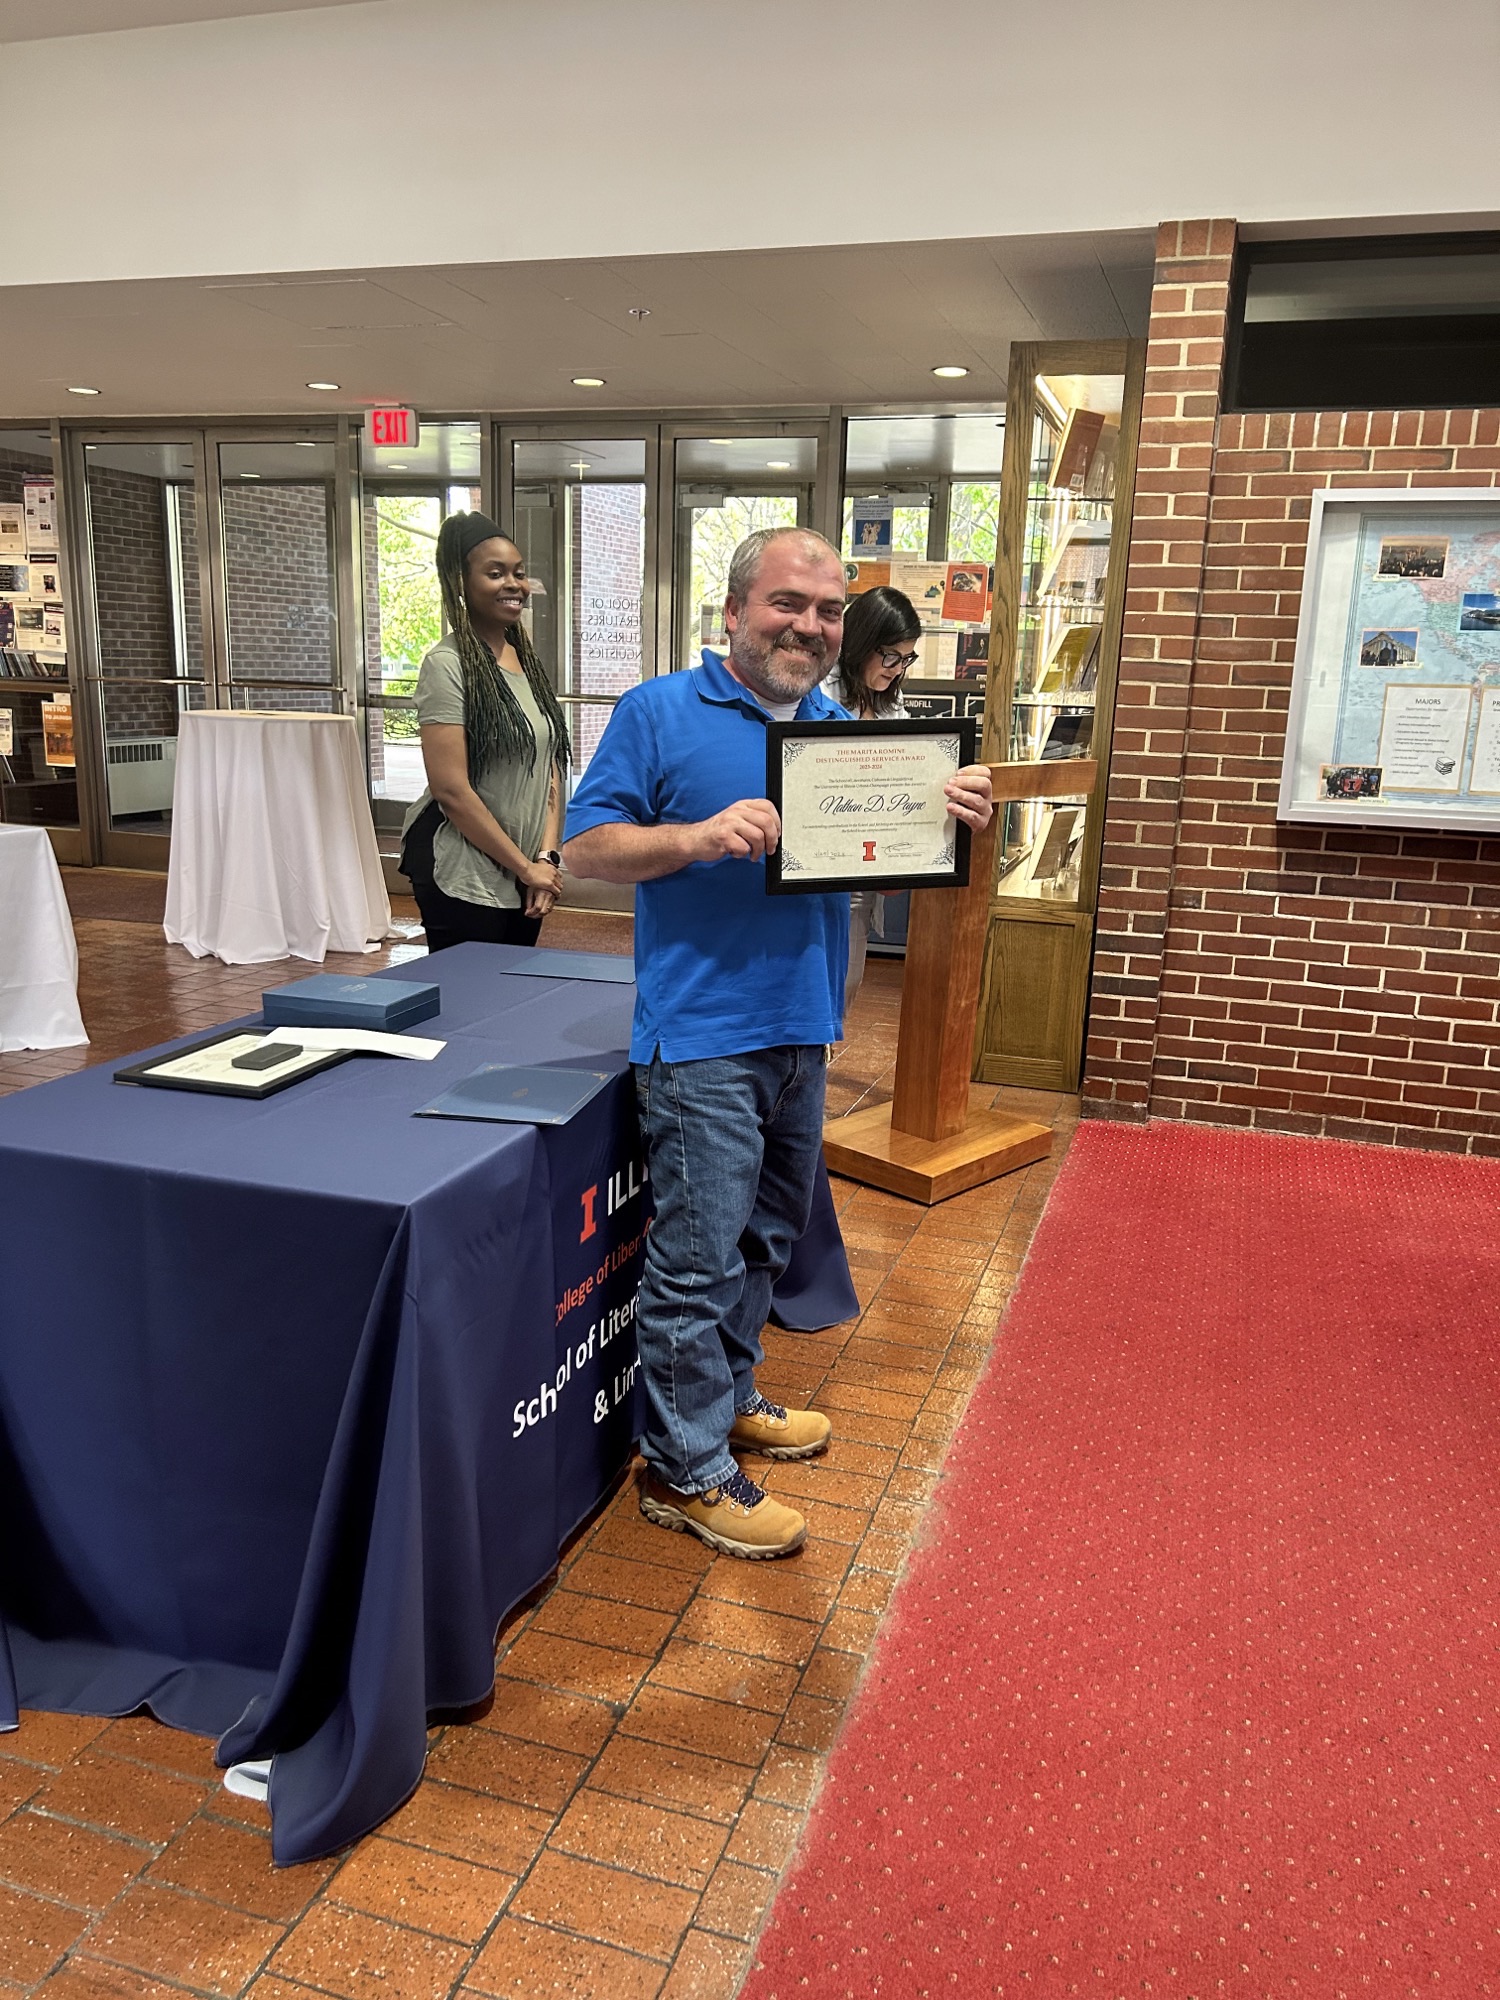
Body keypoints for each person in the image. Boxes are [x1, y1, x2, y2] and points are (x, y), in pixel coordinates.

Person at [563, 527, 993, 1561]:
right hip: (703, 1036)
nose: (809, 624)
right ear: (735, 611)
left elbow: (874, 876)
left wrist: (947, 823)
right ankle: (683, 1466)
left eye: (828, 609)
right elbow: (582, 852)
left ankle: (732, 1391)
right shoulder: (658, 711)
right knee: (698, 1255)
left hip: (806, 1027)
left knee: (762, 1241)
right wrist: (698, 837)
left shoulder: (841, 727)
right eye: (787, 603)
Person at [399, 512, 571, 952]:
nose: (513, 584)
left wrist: (545, 859)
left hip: (525, 870)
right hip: (462, 871)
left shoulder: (524, 660)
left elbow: (550, 762)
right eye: (495, 574)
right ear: (461, 581)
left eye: (518, 573)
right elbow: (451, 790)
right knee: (467, 1004)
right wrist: (524, 868)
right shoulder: (447, 665)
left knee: (511, 996)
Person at [822, 584, 921, 1011]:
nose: (898, 669)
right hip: (819, 855)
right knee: (818, 981)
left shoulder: (891, 705)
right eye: (892, 656)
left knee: (847, 980)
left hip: (865, 862)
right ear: (861, 642)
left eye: (907, 658)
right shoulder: (818, 695)